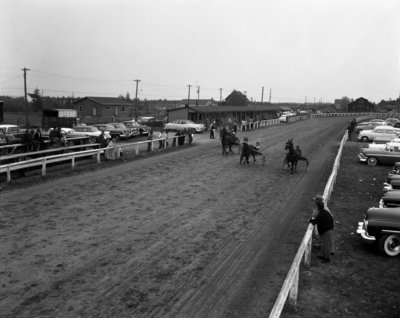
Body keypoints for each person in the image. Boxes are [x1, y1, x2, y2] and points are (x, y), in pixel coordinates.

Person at [309, 195, 335, 263]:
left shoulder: (321, 213)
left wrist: (310, 220)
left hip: (326, 230)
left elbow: (315, 221)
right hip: (328, 227)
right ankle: (325, 255)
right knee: (325, 243)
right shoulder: (324, 211)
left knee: (326, 244)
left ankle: (327, 259)